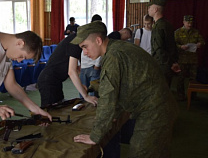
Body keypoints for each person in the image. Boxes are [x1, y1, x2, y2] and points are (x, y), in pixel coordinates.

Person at [71, 21, 178, 157]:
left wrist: (95, 136)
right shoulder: (118, 48)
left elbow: (108, 99)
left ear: (98, 40)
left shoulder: (113, 56)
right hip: (158, 106)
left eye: (85, 47)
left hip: (154, 111)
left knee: (141, 153)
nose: (84, 53)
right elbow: (123, 84)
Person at [37, 33, 98, 108]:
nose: (85, 53)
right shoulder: (75, 42)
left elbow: (76, 68)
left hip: (56, 80)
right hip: (48, 80)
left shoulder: (77, 41)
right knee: (50, 111)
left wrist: (81, 86)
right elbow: (71, 72)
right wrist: (85, 96)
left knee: (59, 107)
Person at [148, 0, 180, 86]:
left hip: (161, 64)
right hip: (168, 63)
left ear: (155, 10)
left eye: (150, 7)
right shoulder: (167, 24)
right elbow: (172, 46)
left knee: (160, 93)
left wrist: (170, 63)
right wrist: (173, 62)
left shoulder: (158, 26)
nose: (148, 9)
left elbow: (159, 49)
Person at [175, 15, 205, 100]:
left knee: (193, 78)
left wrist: (200, 44)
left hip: (193, 59)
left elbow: (202, 41)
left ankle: (192, 95)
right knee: (181, 78)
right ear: (183, 22)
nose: (189, 24)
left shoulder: (196, 32)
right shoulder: (178, 32)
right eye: (188, 22)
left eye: (191, 22)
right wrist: (181, 47)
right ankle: (180, 95)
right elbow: (173, 44)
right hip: (182, 59)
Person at [79, 14, 102, 98]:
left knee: (93, 91)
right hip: (84, 66)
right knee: (83, 91)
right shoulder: (86, 33)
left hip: (93, 66)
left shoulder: (99, 35)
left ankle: (92, 109)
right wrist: (79, 64)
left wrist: (97, 65)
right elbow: (79, 49)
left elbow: (100, 51)